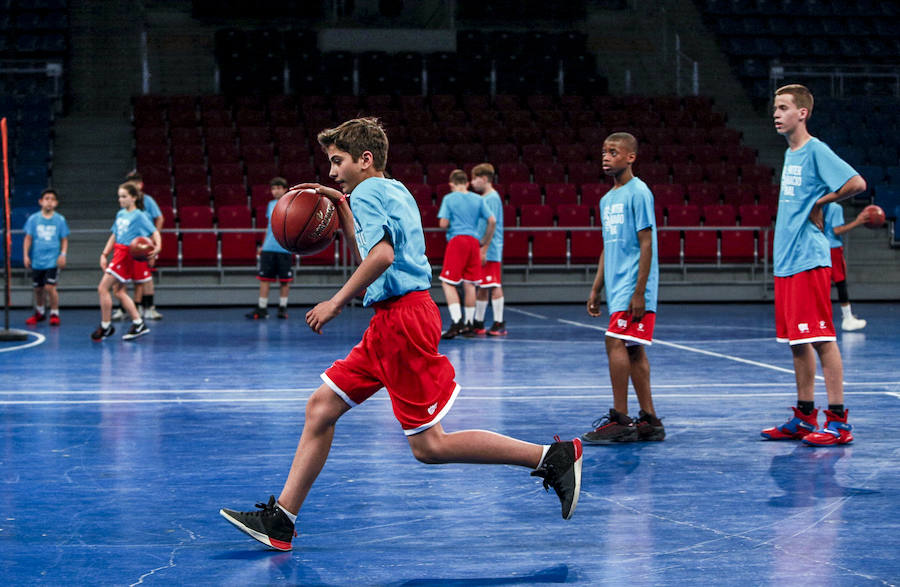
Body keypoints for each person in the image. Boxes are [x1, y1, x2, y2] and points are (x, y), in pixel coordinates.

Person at [220, 118, 582, 551]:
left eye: (338, 162)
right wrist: (342, 205)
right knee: (320, 408)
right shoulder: (395, 189)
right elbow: (376, 244)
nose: (332, 172)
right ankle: (281, 518)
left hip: (402, 321)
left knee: (429, 445)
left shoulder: (369, 192)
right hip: (395, 318)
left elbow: (382, 255)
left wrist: (335, 302)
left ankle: (551, 457)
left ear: (365, 159)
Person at [761, 84, 867, 446]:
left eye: (784, 107)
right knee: (797, 341)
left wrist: (823, 200)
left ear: (802, 113)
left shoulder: (815, 149)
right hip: (787, 261)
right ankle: (805, 415)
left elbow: (856, 182)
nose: (776, 113)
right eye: (775, 107)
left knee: (821, 338)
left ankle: (839, 421)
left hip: (809, 259)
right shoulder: (791, 154)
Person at [581, 132, 665, 445]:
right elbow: (607, 246)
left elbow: (647, 242)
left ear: (630, 157)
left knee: (614, 340)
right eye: (603, 151)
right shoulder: (606, 199)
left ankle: (620, 418)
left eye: (613, 152)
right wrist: (596, 288)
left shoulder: (639, 192)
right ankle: (650, 420)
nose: (606, 157)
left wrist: (640, 291)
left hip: (634, 285)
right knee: (633, 347)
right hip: (616, 286)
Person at [91, 182, 161, 341]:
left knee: (103, 288)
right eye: (119, 196)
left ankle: (105, 325)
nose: (120, 199)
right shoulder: (121, 214)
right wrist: (104, 253)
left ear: (134, 198)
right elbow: (114, 234)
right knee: (119, 292)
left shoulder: (139, 215)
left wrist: (158, 247)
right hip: (118, 252)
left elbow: (154, 231)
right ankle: (138, 323)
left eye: (124, 196)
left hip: (126, 255)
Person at [436, 168, 495, 339]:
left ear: (451, 184)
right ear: (467, 183)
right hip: (474, 242)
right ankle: (469, 324)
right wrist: (484, 240)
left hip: (457, 241)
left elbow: (443, 223)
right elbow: (492, 221)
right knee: (470, 284)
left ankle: (457, 321)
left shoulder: (449, 198)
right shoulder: (477, 199)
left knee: (448, 283)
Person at [112, 171, 164, 321]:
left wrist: (153, 242)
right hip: (128, 243)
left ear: (140, 185)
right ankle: (125, 308)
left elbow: (159, 218)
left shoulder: (148, 201)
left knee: (144, 277)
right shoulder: (124, 209)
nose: (133, 185)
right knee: (123, 278)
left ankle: (148, 307)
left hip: (144, 242)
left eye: (135, 183)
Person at [245, 177, 293, 320]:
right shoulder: (270, 204)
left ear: (285, 189)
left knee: (285, 281)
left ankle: (282, 308)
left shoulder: (292, 203)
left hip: (284, 248)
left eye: (279, 188)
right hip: (269, 248)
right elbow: (269, 227)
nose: (276, 191)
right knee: (264, 279)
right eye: (273, 188)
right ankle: (262, 308)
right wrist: (263, 244)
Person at [23, 188, 69, 326]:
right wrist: (26, 255)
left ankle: (54, 313)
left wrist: (63, 254)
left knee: (50, 287)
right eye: (46, 199)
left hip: (52, 260)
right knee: (38, 289)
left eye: (52, 199)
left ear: (56, 203)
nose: (49, 202)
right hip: (38, 260)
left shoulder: (60, 219)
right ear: (40, 201)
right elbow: (28, 238)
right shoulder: (33, 219)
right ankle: (40, 312)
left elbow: (64, 239)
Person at [470, 163, 506, 336]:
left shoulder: (491, 198)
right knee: (483, 285)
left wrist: (484, 248)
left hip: (490, 248)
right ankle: (478, 321)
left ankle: (498, 322)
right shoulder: (486, 197)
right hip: (484, 246)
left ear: (484, 179)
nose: (472, 182)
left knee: (494, 283)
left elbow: (491, 225)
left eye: (475, 179)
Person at [823, 201, 867, 331]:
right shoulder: (835, 207)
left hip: (820, 247)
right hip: (833, 248)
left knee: (821, 285)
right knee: (841, 283)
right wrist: (858, 221)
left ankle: (817, 318)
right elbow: (837, 230)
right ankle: (847, 319)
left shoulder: (817, 205)